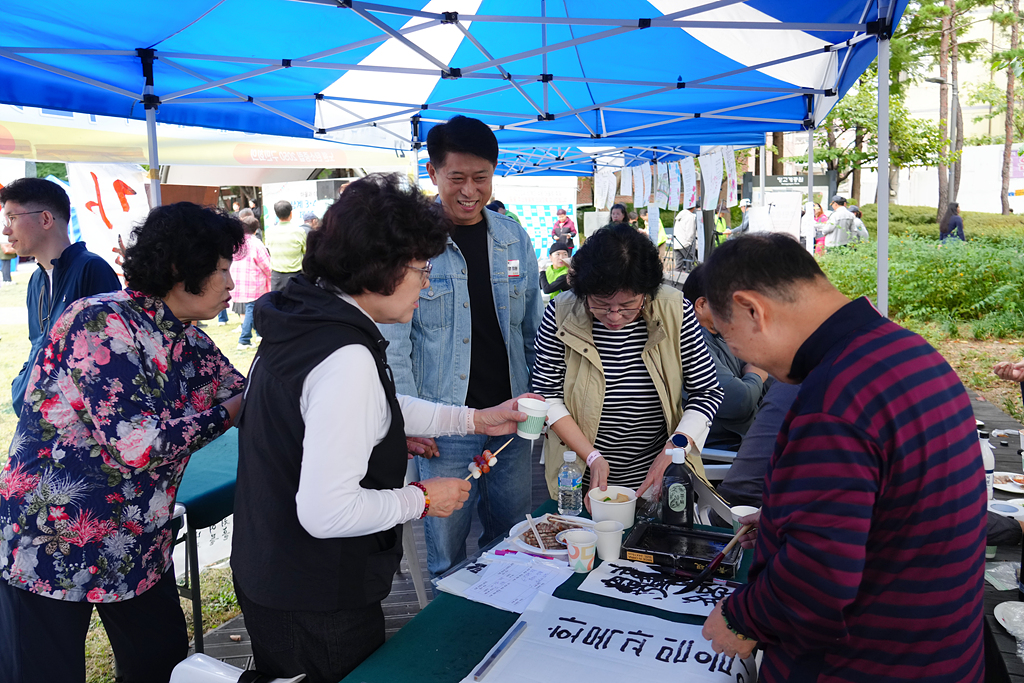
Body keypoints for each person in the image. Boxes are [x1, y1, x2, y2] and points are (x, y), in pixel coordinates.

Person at [232, 174, 535, 683]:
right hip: (315, 591)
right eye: (421, 269)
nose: (428, 283)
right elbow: (327, 512)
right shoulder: (343, 355)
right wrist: (421, 498)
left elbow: (378, 406)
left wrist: (475, 418)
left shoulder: (308, 318)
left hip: (276, 569)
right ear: (380, 269)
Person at [700, 233, 985, 682]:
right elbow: (893, 507)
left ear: (753, 310)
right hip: (941, 650)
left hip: (864, 662)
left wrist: (743, 618)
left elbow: (817, 579)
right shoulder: (911, 350)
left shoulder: (835, 398)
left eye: (733, 342)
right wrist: (780, 520)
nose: (743, 356)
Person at [0, 202, 246, 683]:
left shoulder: (188, 339)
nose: (232, 285)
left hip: (136, 540)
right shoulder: (100, 322)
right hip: (52, 535)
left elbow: (246, 392)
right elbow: (137, 444)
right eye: (220, 271)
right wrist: (230, 412)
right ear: (180, 269)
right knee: (44, 671)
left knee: (162, 662)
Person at [380, 116, 543, 577]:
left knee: (510, 535)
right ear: (433, 173)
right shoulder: (411, 244)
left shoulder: (513, 237)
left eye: (481, 178)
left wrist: (540, 401)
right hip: (442, 423)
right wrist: (410, 420)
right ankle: (448, 637)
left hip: (510, 416)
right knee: (447, 546)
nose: (470, 190)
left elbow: (534, 327)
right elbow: (395, 345)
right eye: (457, 178)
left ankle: (500, 625)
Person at [532, 224, 723, 503]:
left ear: (646, 292)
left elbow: (707, 391)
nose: (614, 316)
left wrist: (674, 449)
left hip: (660, 475)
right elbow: (546, 396)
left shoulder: (675, 310)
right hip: (579, 475)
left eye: (628, 305)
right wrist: (593, 456)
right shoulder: (561, 313)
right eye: (600, 303)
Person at [1, 177, 121, 416]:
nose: (6, 229)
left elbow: (113, 355)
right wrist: (21, 388)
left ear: (45, 219)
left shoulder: (91, 269)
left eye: (12, 218)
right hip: (41, 425)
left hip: (84, 431)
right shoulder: (36, 280)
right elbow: (38, 346)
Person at [681, 264, 770, 450]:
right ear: (701, 305)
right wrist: (756, 375)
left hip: (751, 437)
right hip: (728, 448)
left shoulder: (720, 333)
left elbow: (768, 372)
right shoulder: (694, 341)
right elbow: (740, 402)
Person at [231, 214, 272, 350]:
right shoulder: (256, 243)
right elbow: (266, 265)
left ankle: (259, 334)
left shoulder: (237, 243)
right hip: (254, 282)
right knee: (251, 309)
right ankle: (244, 339)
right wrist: (271, 276)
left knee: (252, 308)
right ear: (255, 229)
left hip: (239, 281)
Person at [265, 199, 306, 292]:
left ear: (276, 215)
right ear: (291, 214)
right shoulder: (299, 232)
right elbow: (306, 251)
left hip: (276, 276)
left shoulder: (269, 232)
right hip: (295, 276)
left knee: (277, 303)